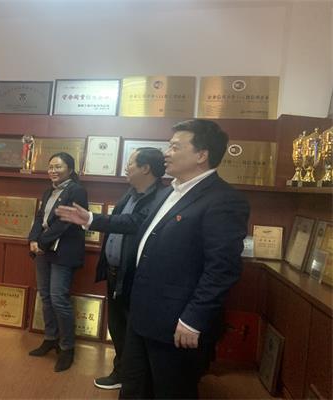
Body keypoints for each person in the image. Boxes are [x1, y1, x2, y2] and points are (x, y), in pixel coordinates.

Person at [118, 120, 250, 399]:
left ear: (201, 155)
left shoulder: (223, 200)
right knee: (134, 387)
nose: (167, 153)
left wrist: (193, 319)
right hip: (142, 315)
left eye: (175, 147)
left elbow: (222, 268)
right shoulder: (169, 191)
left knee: (171, 391)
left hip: (177, 324)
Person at [55, 147, 166, 390]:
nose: (126, 168)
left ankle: (133, 380)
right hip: (116, 274)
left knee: (133, 332)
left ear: (145, 168)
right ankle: (121, 372)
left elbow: (133, 223)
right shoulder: (130, 194)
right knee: (117, 328)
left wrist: (91, 219)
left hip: (135, 277)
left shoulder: (161, 197)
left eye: (131, 163)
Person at [27, 152, 88, 372]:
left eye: (58, 167)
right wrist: (33, 239)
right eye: (51, 167)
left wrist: (41, 242)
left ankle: (67, 348)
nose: (53, 170)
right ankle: (50, 338)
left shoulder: (76, 190)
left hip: (63, 251)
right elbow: (39, 217)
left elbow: (66, 222)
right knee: (45, 296)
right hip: (43, 250)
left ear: (70, 169)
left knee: (58, 299)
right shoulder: (48, 191)